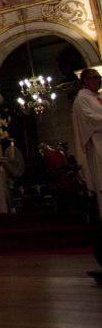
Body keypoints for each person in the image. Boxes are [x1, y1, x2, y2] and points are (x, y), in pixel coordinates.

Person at [72, 68, 102, 217]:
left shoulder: (98, 96)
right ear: (85, 81)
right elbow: (89, 119)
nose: (99, 80)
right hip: (96, 144)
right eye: (95, 77)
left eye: (99, 77)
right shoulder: (81, 99)